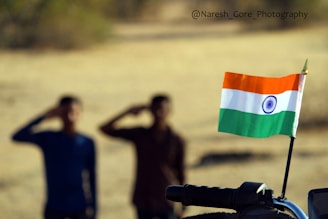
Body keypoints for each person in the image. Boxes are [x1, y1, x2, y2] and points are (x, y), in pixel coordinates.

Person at [99, 94, 186, 219]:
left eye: (162, 109)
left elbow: (181, 171)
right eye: (155, 109)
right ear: (150, 111)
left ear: (170, 111)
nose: (159, 113)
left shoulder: (176, 140)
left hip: (166, 198)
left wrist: (183, 203)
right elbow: (105, 129)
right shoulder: (141, 135)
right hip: (143, 198)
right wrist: (128, 111)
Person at [11, 95, 97, 219]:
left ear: (80, 113)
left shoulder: (87, 142)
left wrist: (94, 209)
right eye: (66, 112)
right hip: (54, 207)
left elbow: (92, 177)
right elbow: (17, 136)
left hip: (79, 206)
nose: (70, 117)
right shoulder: (49, 138)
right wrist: (44, 116)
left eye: (74, 112)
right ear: (59, 114)